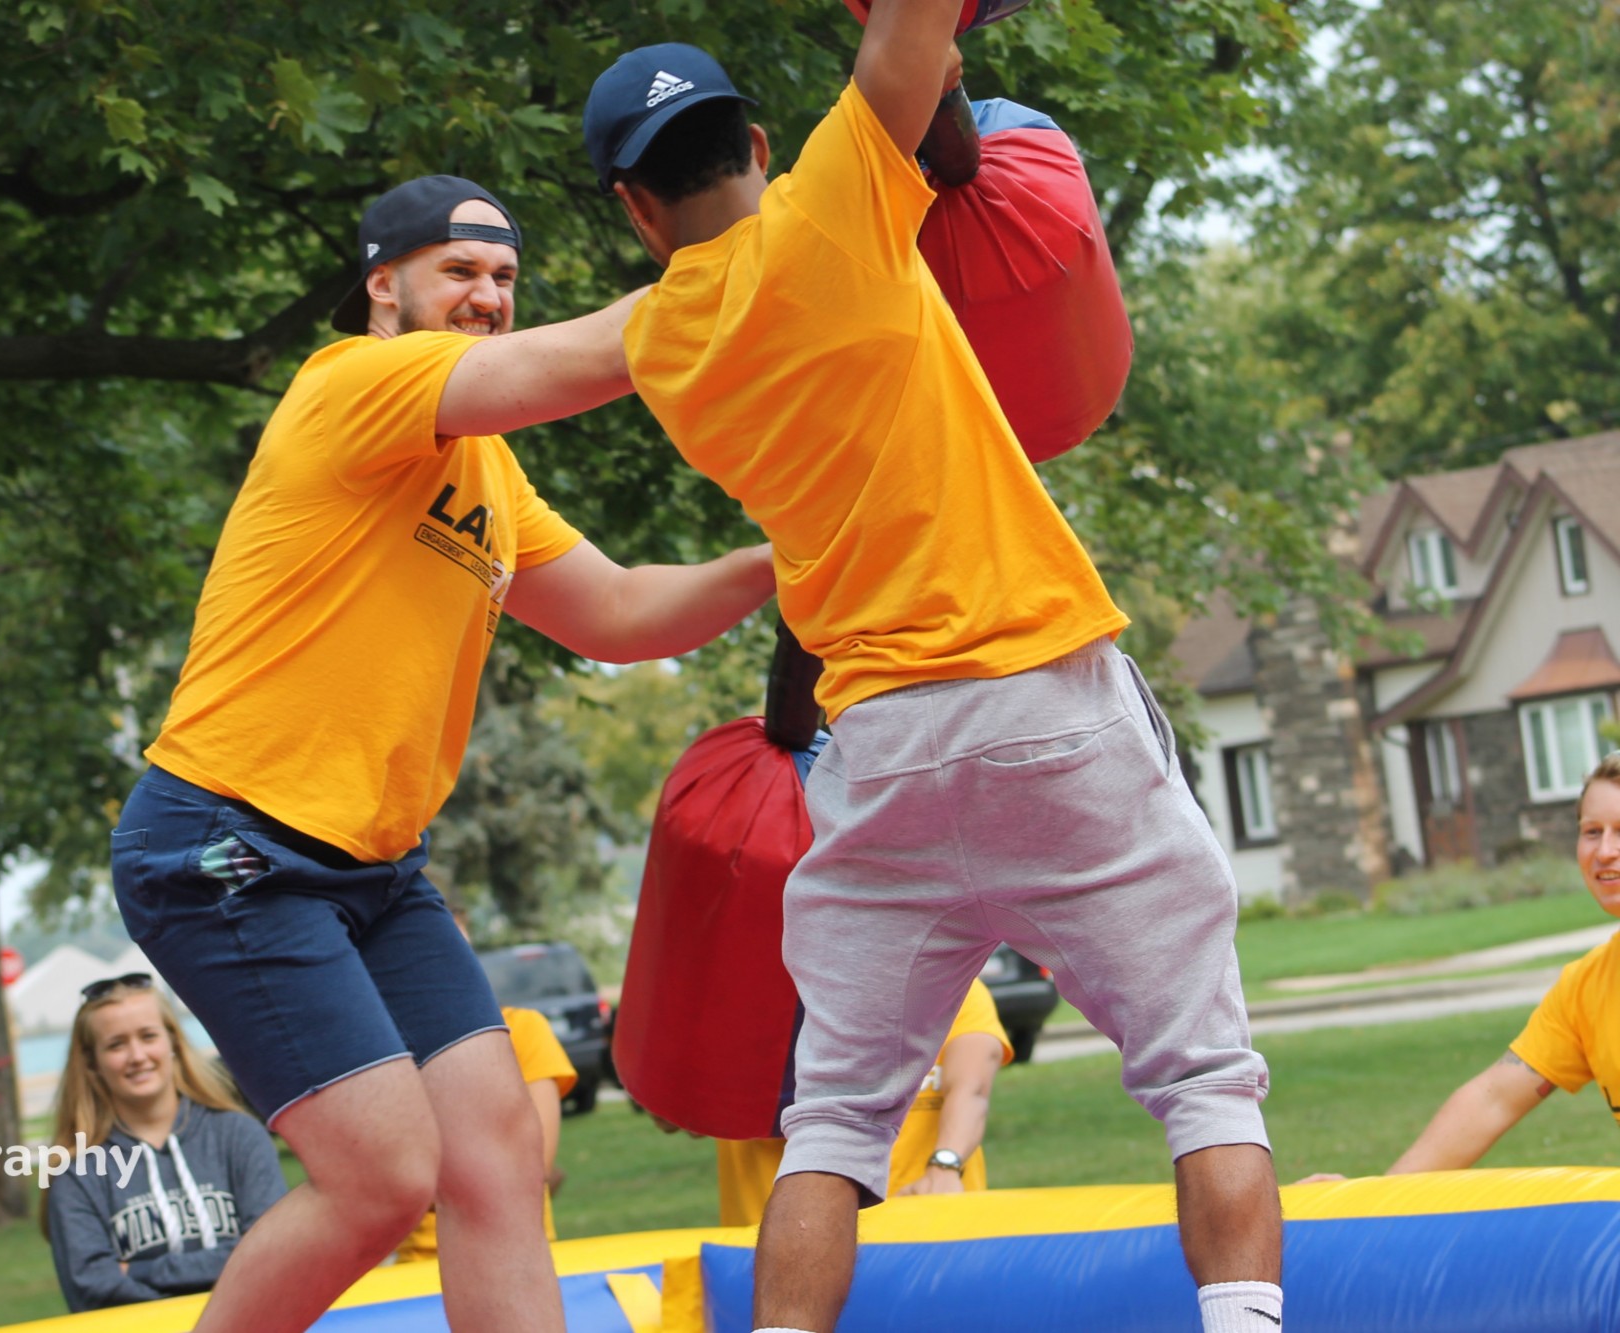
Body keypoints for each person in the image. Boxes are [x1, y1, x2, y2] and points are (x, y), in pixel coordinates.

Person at [580, 9, 1282, 1332]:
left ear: (635, 212)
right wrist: (941, 35)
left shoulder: (662, 347)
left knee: (833, 1127)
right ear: (757, 142)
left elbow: (525, 371)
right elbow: (908, 64)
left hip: (882, 748)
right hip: (1040, 699)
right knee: (1205, 1082)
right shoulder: (837, 202)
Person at [110, 173, 776, 1333]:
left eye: (505, 278)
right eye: (458, 272)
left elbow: (617, 612)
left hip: (372, 871)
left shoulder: (485, 469)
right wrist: (764, 258)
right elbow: (580, 361)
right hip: (227, 843)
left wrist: (787, 558)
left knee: (496, 1160)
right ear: (385, 287)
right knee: (381, 1179)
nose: (486, 296)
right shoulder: (356, 380)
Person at [1305, 754, 1620, 1179]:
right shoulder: (1585, 988)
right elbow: (1493, 1100)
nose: (1605, 851)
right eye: (1592, 832)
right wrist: (1371, 1201)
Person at [42, 975, 287, 1313]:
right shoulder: (76, 1170)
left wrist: (140, 1271)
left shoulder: (240, 1136)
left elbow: (274, 1256)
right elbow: (91, 1287)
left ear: (172, 1040)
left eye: (148, 1036)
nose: (137, 1056)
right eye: (116, 1045)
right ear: (91, 1062)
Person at [717, 979, 1009, 1227]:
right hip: (778, 1239)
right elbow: (678, 1109)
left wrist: (944, 1166)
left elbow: (971, 1088)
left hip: (929, 1226)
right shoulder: (734, 996)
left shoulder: (950, 985)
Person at [396, 1005, 578, 1262]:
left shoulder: (519, 1026)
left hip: (525, 1258)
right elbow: (391, 1182)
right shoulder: (380, 1043)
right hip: (423, 1267)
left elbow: (532, 1168)